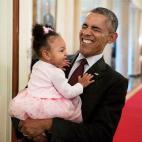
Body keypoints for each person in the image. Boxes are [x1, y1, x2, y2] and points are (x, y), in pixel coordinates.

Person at [13, 7, 128, 142]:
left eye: (95, 29)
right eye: (85, 26)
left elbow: (101, 134)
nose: (86, 32)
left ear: (111, 37)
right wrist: (28, 131)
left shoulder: (115, 82)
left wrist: (49, 125)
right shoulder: (53, 61)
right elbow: (26, 98)